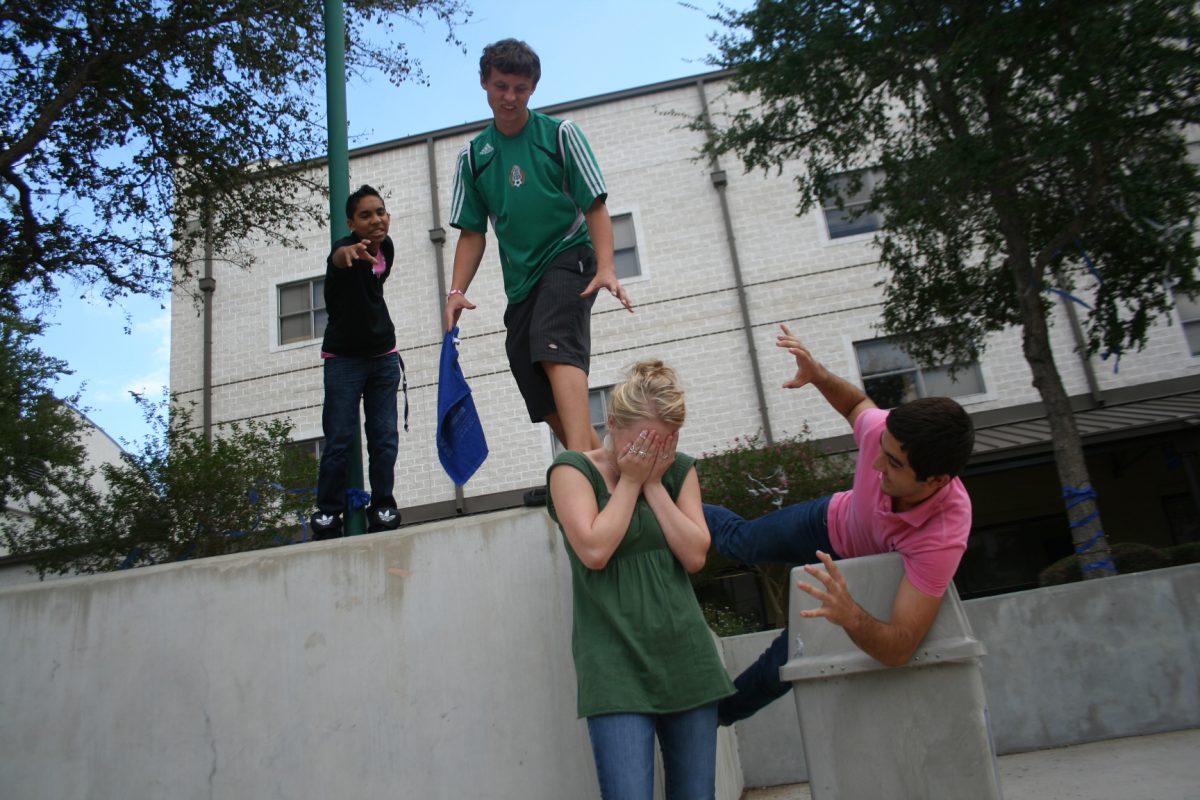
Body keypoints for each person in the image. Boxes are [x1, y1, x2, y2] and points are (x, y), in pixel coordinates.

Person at [705, 325, 975, 726]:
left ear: (936, 481)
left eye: (895, 465)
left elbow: (901, 647)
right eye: (882, 452)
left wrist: (852, 616)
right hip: (829, 521)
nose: (877, 465)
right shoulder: (885, 432)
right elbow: (857, 405)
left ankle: (711, 719)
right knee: (742, 541)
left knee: (785, 664)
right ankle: (663, 492)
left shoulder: (943, 532)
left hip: (860, 584)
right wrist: (819, 376)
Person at [547, 360, 734, 800]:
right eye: (645, 439)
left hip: (687, 661)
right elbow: (594, 550)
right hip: (615, 669)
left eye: (667, 440)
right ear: (612, 422)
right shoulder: (572, 471)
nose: (655, 450)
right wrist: (631, 481)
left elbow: (695, 554)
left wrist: (652, 485)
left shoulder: (678, 471)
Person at [445, 38, 633, 469]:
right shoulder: (473, 158)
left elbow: (595, 206)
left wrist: (606, 266)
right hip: (522, 281)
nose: (510, 97)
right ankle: (600, 460)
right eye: (501, 86)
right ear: (484, 83)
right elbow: (472, 234)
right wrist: (456, 290)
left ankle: (581, 463)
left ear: (533, 89)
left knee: (552, 341)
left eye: (520, 88)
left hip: (570, 256)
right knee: (525, 364)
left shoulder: (559, 135)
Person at [309, 185, 405, 540]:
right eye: (365, 215)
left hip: (382, 354)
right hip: (344, 358)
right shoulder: (344, 251)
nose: (375, 220)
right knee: (339, 437)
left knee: (384, 437)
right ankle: (328, 512)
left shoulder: (387, 248)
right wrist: (346, 253)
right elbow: (339, 259)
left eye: (380, 212)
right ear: (351, 223)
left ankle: (382, 505)